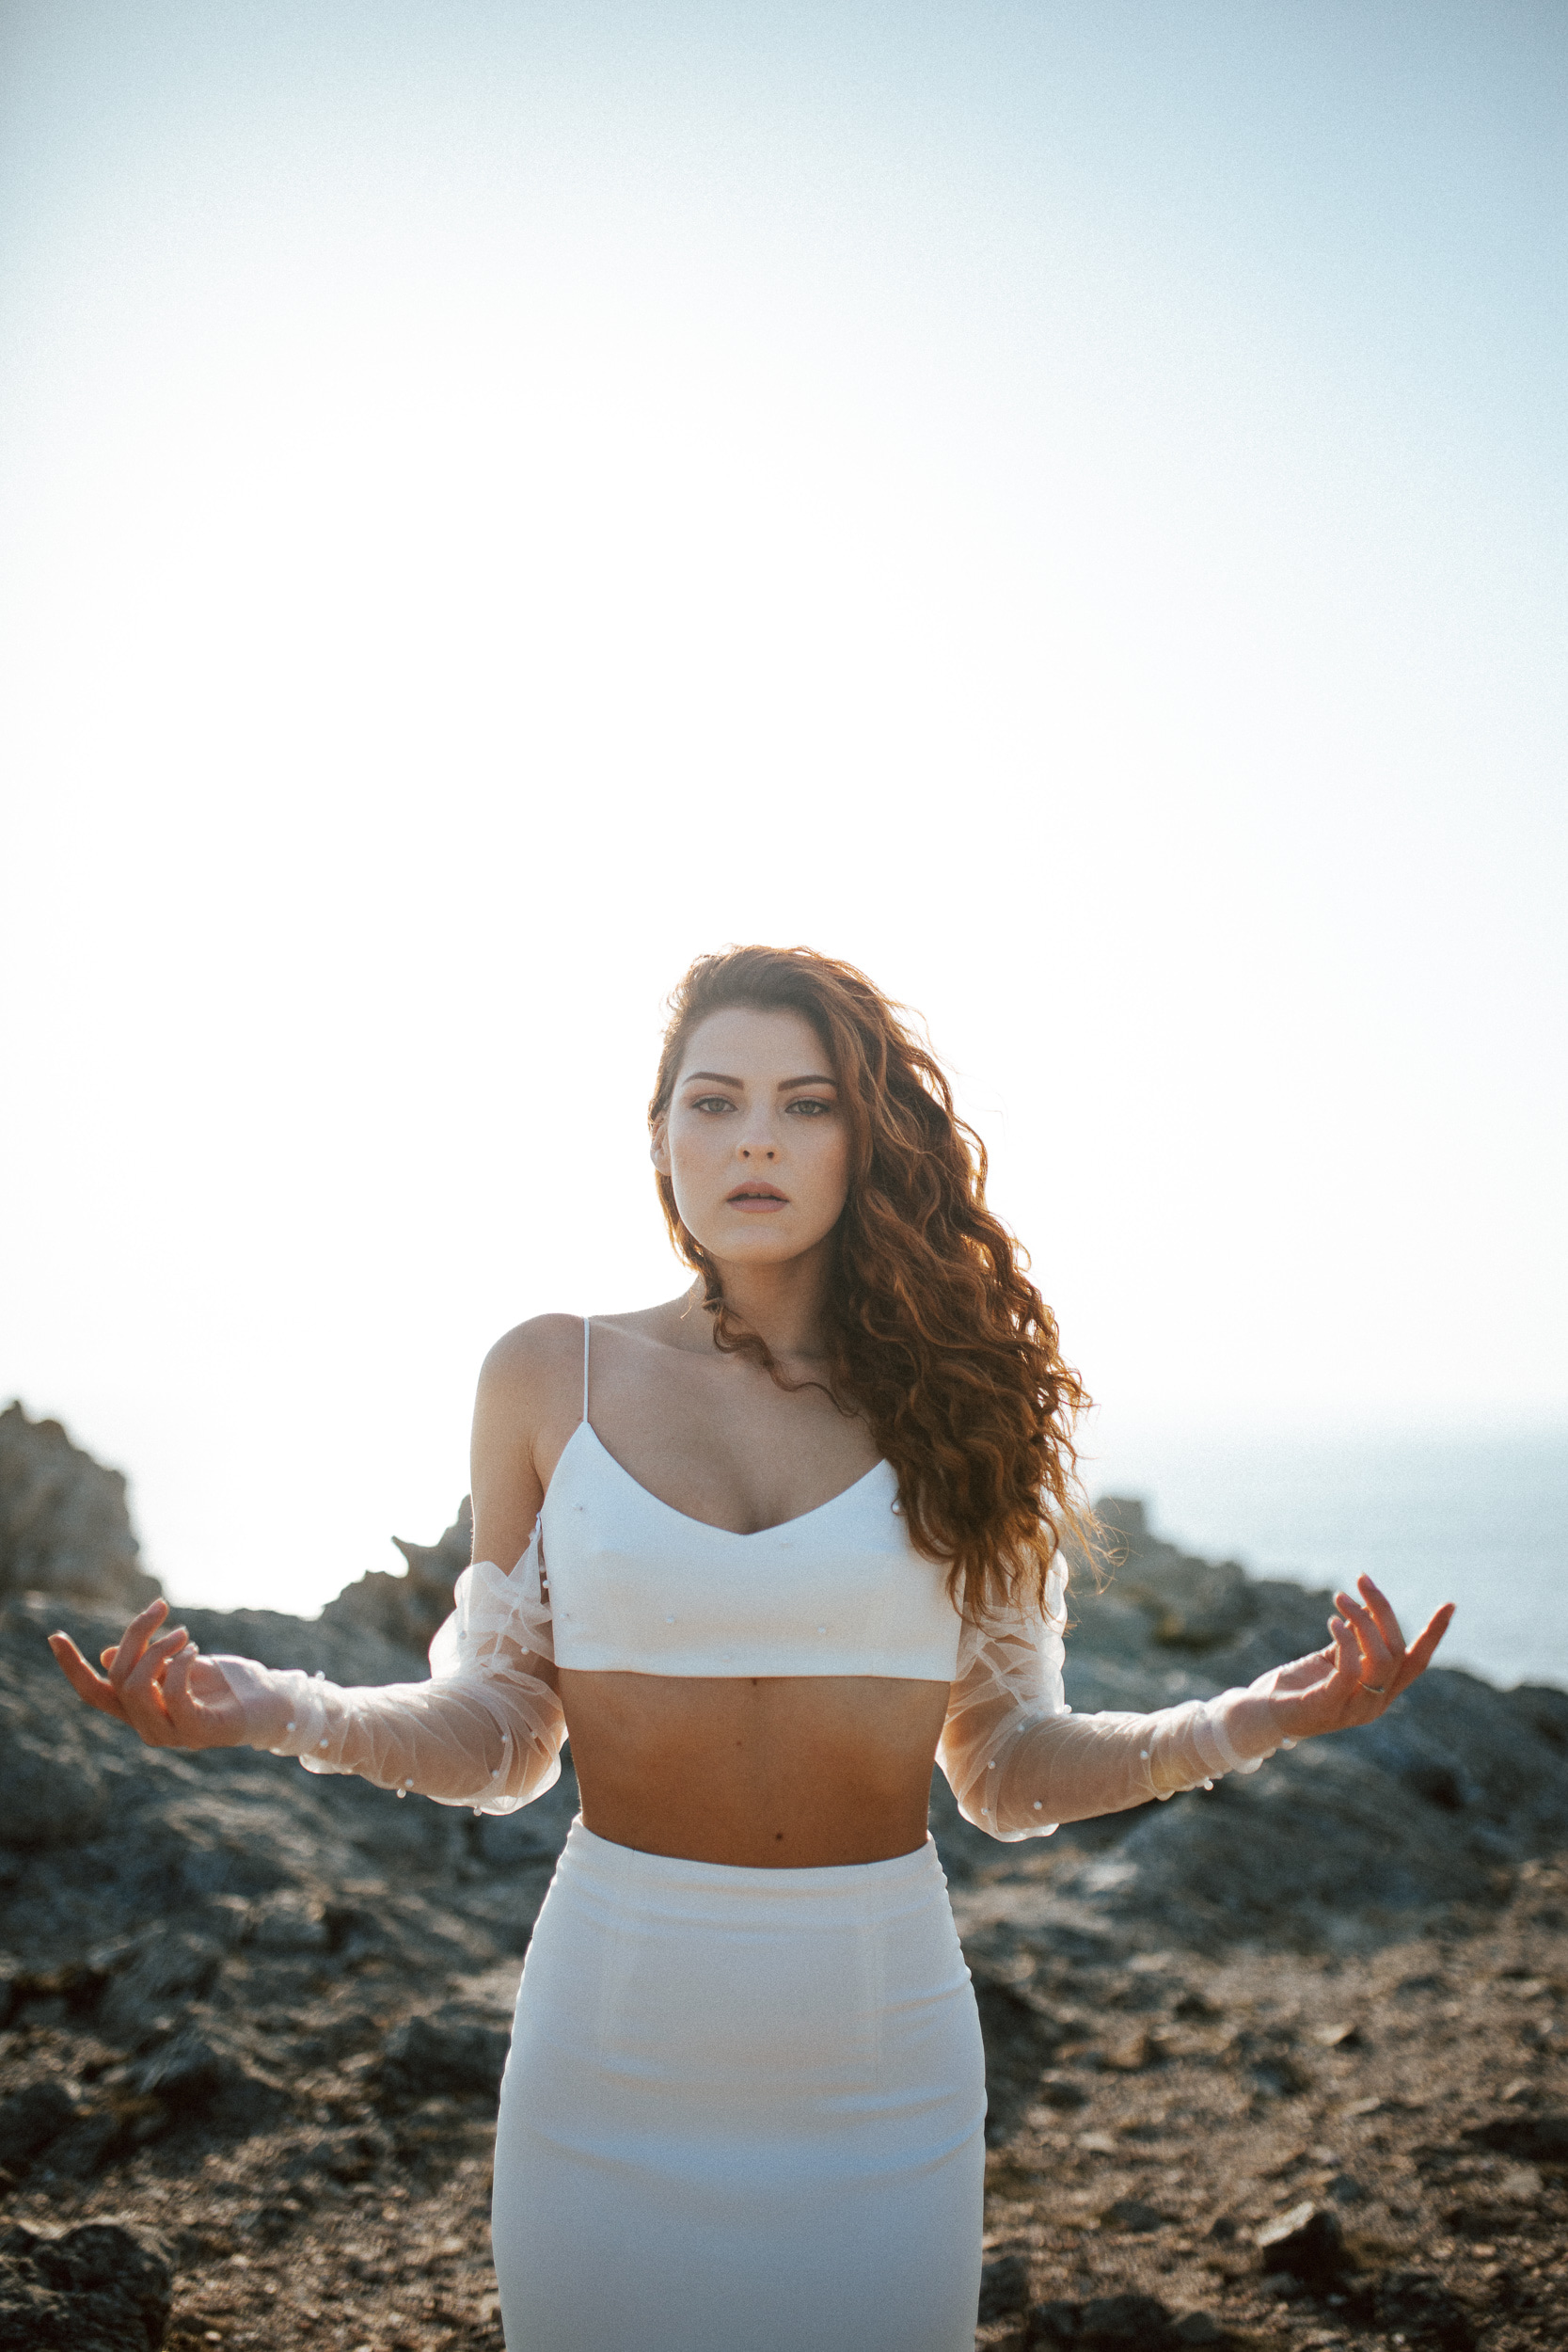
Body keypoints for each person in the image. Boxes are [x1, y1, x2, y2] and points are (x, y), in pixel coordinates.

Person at [51, 945, 1453, 2352]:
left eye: (807, 1104)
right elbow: (500, 1735)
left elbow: (1008, 1769)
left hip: (878, 2047)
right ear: (660, 1138)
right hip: (612, 2036)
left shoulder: (972, 1405)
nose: (756, 1140)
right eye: (713, 1103)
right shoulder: (550, 1373)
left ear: (870, 1137)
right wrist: (269, 1707)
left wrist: (1254, 1720)